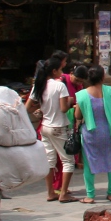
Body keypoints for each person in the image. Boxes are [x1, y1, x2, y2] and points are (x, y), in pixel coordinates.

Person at [73, 65, 111, 203]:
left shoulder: (82, 95)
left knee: (89, 162)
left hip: (91, 133)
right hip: (109, 131)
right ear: (102, 77)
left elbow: (77, 115)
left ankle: (90, 195)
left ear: (88, 78)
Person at [30, 60, 76, 202]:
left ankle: (50, 192)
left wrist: (42, 109)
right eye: (61, 70)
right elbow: (63, 108)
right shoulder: (59, 86)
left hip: (45, 126)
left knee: (50, 160)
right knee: (68, 160)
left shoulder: (38, 86)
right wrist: (70, 102)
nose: (63, 73)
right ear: (54, 71)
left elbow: (28, 107)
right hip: (58, 126)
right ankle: (63, 193)